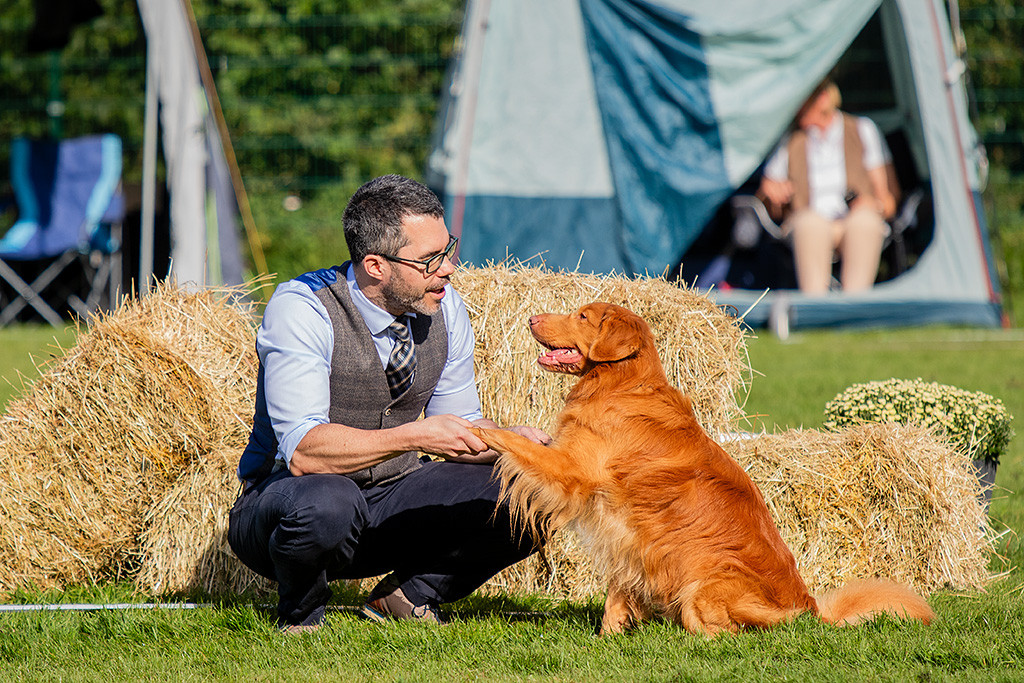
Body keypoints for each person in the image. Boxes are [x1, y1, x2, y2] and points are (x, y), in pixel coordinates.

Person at [228, 174, 550, 633]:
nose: (449, 268)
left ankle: (409, 597)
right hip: (285, 507)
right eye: (430, 259)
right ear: (376, 265)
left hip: (388, 502)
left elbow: (455, 423)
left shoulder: (443, 304)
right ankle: (302, 615)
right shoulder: (302, 307)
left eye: (449, 249)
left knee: (542, 484)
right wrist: (415, 435)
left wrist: (508, 442)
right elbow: (304, 453)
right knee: (328, 500)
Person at [758, 79, 900, 294]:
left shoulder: (862, 130)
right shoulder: (791, 140)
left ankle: (854, 305)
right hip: (811, 219)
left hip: (855, 220)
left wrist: (873, 205)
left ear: (823, 98)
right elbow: (767, 196)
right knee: (809, 223)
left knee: (865, 223)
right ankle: (817, 307)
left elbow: (889, 201)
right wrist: (770, 192)